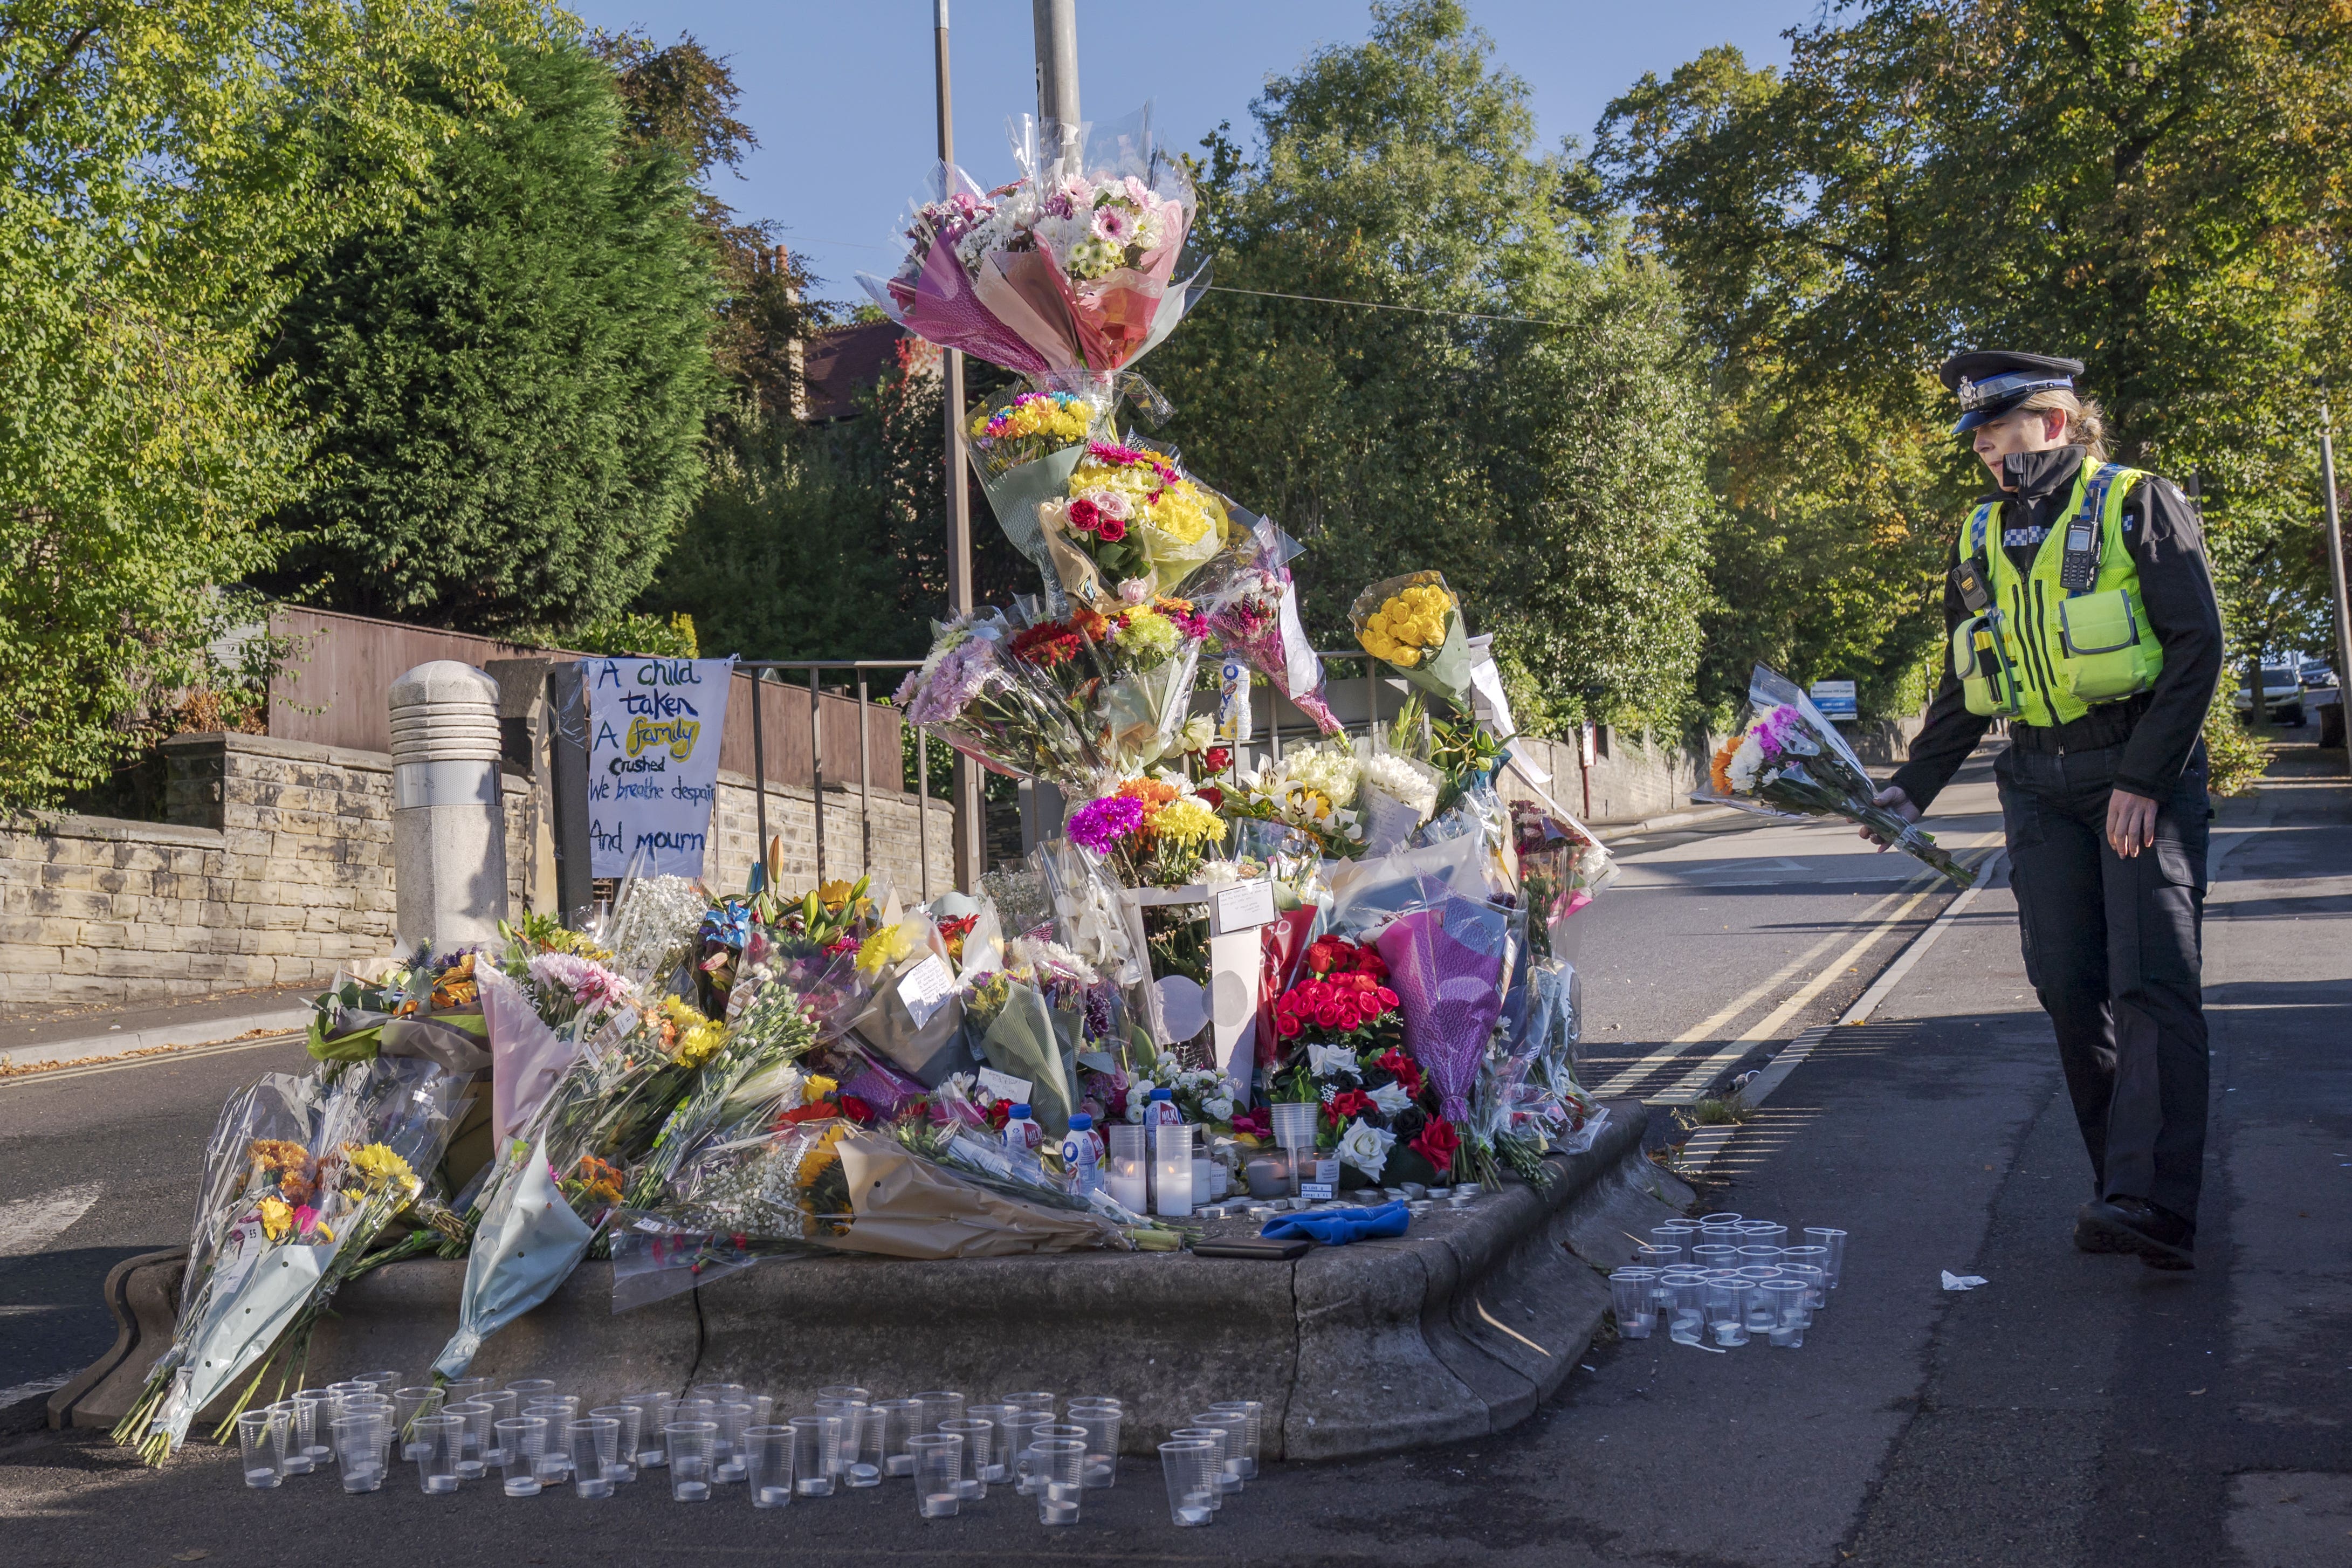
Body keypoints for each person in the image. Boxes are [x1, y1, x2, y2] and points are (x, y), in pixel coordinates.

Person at [1869, 350, 2223, 1270]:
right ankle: (2121, 1188)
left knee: (2150, 981)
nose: (1984, 449)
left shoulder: (2136, 502)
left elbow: (2195, 647)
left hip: (2136, 771)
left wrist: (2144, 780)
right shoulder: (1978, 534)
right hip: (2034, 781)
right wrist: (1911, 786)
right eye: (1977, 438)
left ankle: (2156, 1206)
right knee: (2067, 985)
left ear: (2057, 424)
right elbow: (1964, 676)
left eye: (1997, 429)